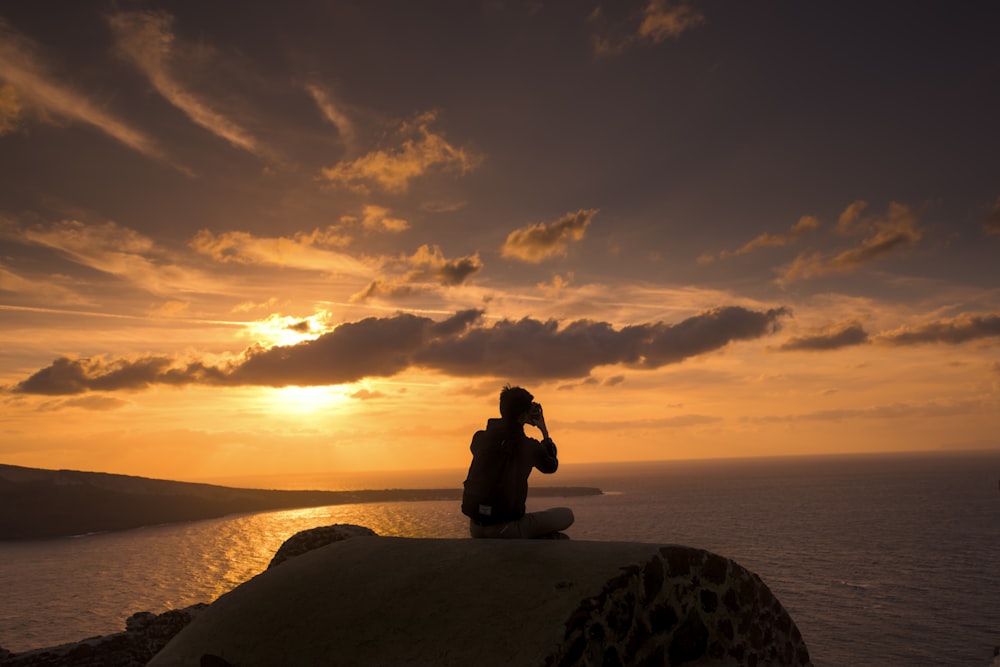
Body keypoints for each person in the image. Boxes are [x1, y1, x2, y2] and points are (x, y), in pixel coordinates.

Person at [461, 385, 575, 538]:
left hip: (476, 528)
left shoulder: (480, 438)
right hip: (506, 528)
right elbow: (551, 466)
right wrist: (544, 431)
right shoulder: (528, 447)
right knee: (567, 516)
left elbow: (494, 448)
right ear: (523, 416)